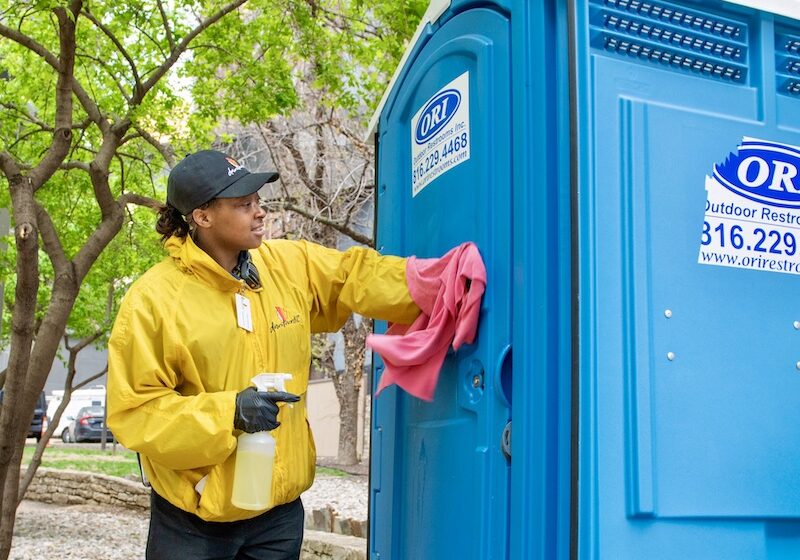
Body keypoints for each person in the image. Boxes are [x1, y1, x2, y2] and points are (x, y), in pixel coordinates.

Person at [106, 150, 421, 559]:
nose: (260, 213)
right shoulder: (152, 301)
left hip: (277, 517)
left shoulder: (286, 265)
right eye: (243, 205)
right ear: (202, 216)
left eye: (258, 201)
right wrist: (230, 412)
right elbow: (136, 413)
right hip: (194, 520)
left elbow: (354, 276)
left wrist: (424, 284)